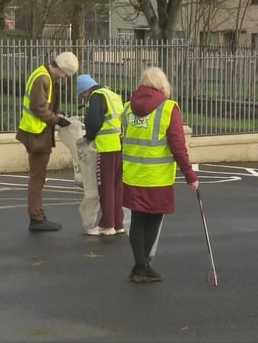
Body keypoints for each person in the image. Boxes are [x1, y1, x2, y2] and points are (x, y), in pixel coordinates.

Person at [121, 67, 199, 283]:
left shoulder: (127, 108)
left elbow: (124, 140)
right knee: (154, 218)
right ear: (163, 84)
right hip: (157, 177)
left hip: (133, 174)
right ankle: (143, 265)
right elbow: (178, 146)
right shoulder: (168, 108)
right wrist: (190, 175)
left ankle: (140, 264)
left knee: (137, 220)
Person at [16, 51, 79, 232]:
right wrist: (56, 119)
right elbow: (39, 108)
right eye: (64, 75)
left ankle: (39, 215)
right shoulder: (43, 79)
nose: (63, 78)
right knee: (37, 178)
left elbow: (41, 106)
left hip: (36, 131)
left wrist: (56, 117)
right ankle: (36, 218)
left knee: (39, 177)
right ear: (60, 70)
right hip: (37, 133)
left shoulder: (42, 74)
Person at [76, 74, 125, 236]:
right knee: (117, 187)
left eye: (82, 94)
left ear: (86, 89)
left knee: (105, 187)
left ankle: (107, 224)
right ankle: (118, 223)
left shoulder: (97, 97)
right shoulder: (112, 95)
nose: (83, 97)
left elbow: (94, 121)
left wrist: (88, 137)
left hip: (106, 147)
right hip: (119, 145)